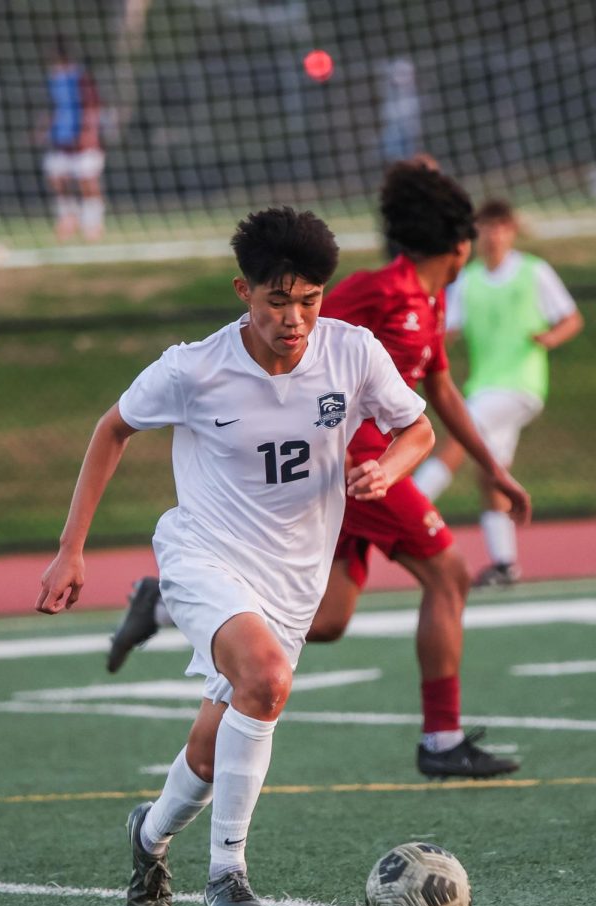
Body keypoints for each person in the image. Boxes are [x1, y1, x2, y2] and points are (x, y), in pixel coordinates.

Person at [37, 207, 433, 906]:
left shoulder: (353, 353)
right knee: (267, 681)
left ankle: (148, 836)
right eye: (277, 300)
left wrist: (386, 467)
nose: (294, 318)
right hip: (202, 555)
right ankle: (228, 871)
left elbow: (417, 427)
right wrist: (71, 548)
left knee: (210, 748)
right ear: (242, 292)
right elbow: (112, 428)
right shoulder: (194, 368)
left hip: (291, 582)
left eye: (309, 300)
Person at [107, 164, 530, 783]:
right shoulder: (371, 293)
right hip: (347, 465)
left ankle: (165, 605)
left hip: (368, 475)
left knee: (325, 620)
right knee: (450, 571)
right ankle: (441, 738)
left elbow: (437, 388)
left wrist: (493, 467)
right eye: (289, 299)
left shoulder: (431, 301)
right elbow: (304, 331)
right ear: (462, 245)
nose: (298, 311)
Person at [413, 198, 583, 587]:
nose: (494, 235)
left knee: (458, 435)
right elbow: (447, 333)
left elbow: (571, 317)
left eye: (502, 226)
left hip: (521, 384)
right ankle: (505, 565)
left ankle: (413, 505)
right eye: (487, 227)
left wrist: (550, 338)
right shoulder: (468, 280)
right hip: (484, 386)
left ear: (512, 231)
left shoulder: (533, 272)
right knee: (490, 474)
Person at [42, 42, 105, 242]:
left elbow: (93, 106)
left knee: (87, 181)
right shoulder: (54, 79)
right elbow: (54, 107)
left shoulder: (81, 79)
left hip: (84, 141)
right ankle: (68, 216)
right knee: (56, 177)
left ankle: (93, 223)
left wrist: (88, 132)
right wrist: (43, 129)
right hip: (61, 140)